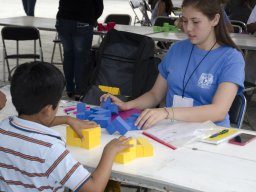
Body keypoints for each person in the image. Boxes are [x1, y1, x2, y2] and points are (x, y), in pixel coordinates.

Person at [102, 0, 244, 129]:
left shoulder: (231, 58)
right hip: (171, 130)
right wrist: (127, 105)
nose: (188, 28)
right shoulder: (176, 49)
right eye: (184, 20)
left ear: (215, 20)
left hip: (210, 133)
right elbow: (155, 95)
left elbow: (218, 111)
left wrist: (167, 112)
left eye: (195, 22)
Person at [0, 61, 131, 191]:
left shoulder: (4, 127)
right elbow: (94, 188)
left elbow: (38, 120)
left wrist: (68, 119)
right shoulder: (50, 150)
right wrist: (110, 151)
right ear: (48, 109)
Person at [56, 0, 104, 100]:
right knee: (81, 58)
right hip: (83, 22)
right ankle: (80, 90)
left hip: (63, 20)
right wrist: (93, 18)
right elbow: (99, 7)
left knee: (68, 55)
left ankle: (69, 88)